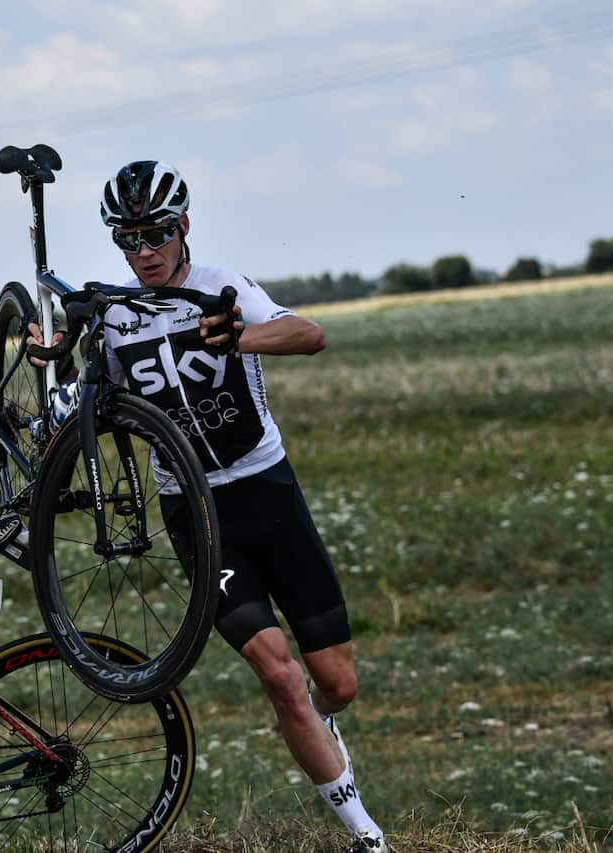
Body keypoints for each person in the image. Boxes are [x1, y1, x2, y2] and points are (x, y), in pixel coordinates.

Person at [34, 163, 386, 851]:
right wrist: (49, 358)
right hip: (196, 513)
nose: (144, 251)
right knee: (280, 674)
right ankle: (365, 834)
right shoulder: (113, 312)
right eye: (128, 238)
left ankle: (323, 722)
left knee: (335, 683)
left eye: (157, 234)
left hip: (268, 490)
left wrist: (238, 335)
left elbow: (310, 334)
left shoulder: (222, 286)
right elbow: (73, 407)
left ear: (183, 227)